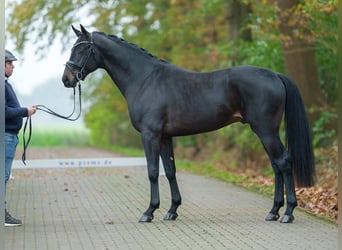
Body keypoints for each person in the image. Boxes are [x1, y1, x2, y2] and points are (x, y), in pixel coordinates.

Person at [4, 49, 37, 226]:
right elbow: (5, 112)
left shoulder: (5, 84)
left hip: (9, 136)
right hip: (6, 136)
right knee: (3, 177)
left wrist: (25, 110)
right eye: (10, 63)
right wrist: (25, 111)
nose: (13, 66)